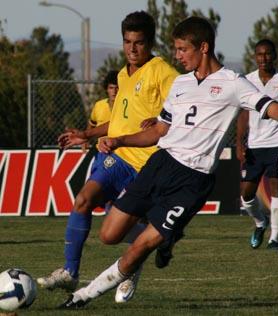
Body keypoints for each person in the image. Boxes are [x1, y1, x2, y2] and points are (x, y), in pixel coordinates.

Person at [57, 17, 278, 309]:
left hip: (193, 181)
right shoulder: (181, 84)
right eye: (176, 49)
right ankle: (159, 245)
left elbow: (277, 113)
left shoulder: (234, 83)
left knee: (141, 245)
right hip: (160, 164)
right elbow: (159, 131)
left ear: (204, 47)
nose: (177, 55)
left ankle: (82, 296)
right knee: (109, 234)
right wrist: (119, 140)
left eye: (183, 49)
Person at [37, 10, 178, 304]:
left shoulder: (162, 71)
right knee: (83, 199)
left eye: (138, 42)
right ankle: (70, 271)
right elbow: (119, 116)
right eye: (127, 42)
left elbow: (186, 103)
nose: (132, 48)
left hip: (148, 163)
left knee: (114, 230)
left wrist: (161, 119)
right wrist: (87, 135)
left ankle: (139, 257)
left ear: (150, 42)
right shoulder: (124, 73)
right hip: (118, 157)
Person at [236, 39, 278, 250]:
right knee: (246, 194)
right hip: (254, 145)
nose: (263, 58)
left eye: (267, 54)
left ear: (274, 55)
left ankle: (275, 239)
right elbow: (244, 114)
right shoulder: (247, 80)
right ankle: (260, 223)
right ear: (255, 57)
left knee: (277, 188)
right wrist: (239, 142)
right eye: (259, 54)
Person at [81, 70, 119, 153]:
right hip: (102, 150)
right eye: (111, 88)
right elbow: (91, 124)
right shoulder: (99, 106)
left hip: (121, 151)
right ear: (106, 89)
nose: (114, 91)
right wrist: (86, 139)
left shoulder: (126, 106)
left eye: (117, 88)